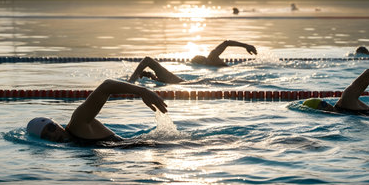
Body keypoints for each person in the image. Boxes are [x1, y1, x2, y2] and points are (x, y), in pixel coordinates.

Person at [26, 79, 167, 144]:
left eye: (51, 128)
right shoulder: (71, 143)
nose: (52, 135)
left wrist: (142, 91)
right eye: (45, 136)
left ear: (57, 125)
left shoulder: (77, 122)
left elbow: (107, 86)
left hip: (151, 146)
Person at [128, 40, 258, 84]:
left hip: (183, 82)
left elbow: (147, 60)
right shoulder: (168, 78)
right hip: (183, 82)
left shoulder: (211, 57)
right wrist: (150, 77)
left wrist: (132, 80)